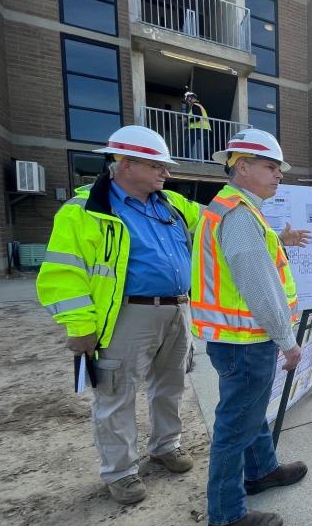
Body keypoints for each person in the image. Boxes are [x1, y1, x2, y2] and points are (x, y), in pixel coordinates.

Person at [37, 126, 200, 505]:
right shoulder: (84, 212)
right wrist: (80, 327)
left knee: (171, 384)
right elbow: (63, 274)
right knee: (115, 394)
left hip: (178, 309)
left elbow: (216, 223)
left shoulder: (172, 205)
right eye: (157, 165)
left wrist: (276, 233)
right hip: (127, 315)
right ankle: (121, 472)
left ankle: (166, 446)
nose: (166, 173)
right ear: (125, 164)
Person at [191, 128, 311, 526]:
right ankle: (226, 516)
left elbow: (250, 263)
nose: (279, 175)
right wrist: (288, 341)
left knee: (249, 410)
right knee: (235, 424)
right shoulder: (239, 214)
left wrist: (282, 240)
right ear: (242, 167)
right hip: (244, 341)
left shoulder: (237, 210)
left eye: (279, 168)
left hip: (239, 340)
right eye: (270, 166)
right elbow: (260, 287)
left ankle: (261, 470)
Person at [183, 91, 210, 162]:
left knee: (188, 145)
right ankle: (205, 161)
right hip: (204, 128)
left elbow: (198, 117)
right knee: (203, 147)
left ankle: (187, 161)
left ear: (190, 98)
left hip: (197, 128)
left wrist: (187, 120)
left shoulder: (195, 106)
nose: (188, 102)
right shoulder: (199, 106)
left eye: (187, 99)